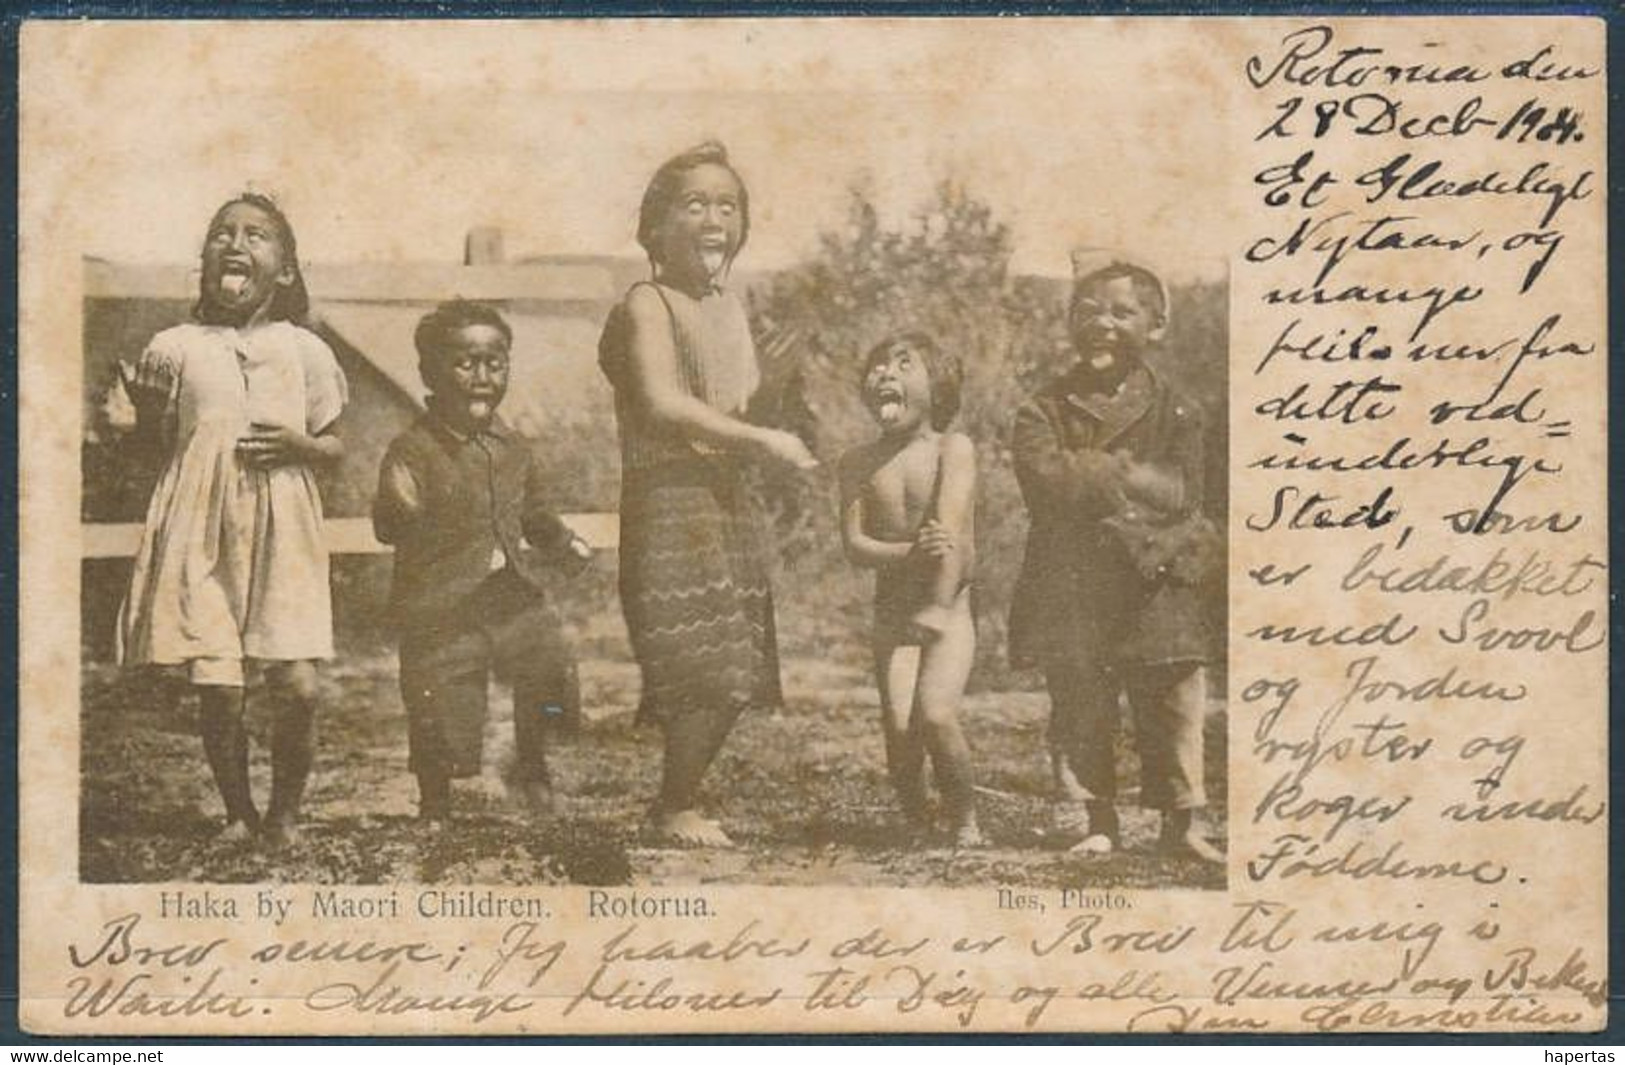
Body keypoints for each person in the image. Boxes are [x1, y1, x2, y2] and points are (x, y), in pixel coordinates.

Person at [598, 142, 818, 848]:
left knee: (739, 664)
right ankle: (674, 805)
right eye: (693, 203)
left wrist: (779, 398)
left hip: (727, 494)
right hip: (668, 499)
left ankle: (676, 801)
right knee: (708, 666)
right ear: (655, 225)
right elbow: (664, 405)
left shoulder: (731, 308)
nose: (713, 217)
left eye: (728, 204)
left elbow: (739, 410)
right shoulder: (645, 304)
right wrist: (763, 442)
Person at [115, 192, 347, 848]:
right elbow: (153, 444)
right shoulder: (174, 346)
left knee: (297, 684)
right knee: (218, 686)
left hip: (284, 532)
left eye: (257, 236)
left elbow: (334, 446)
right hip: (203, 532)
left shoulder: (304, 351)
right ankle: (240, 812)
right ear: (204, 260)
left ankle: (287, 812)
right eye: (223, 233)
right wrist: (127, 420)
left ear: (285, 271)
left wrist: (300, 446)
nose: (236, 244)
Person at [1009, 249, 1222, 863]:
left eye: (1123, 312)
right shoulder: (1041, 406)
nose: (1103, 323)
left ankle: (1183, 820)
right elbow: (1045, 479)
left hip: (1158, 573)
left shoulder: (1179, 407)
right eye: (1088, 311)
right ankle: (1093, 818)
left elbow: (1183, 493)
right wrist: (1127, 474)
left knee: (1174, 695)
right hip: (1074, 580)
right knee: (1080, 698)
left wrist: (1107, 487)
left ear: (1155, 327)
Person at [373, 300, 591, 827]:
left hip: (506, 591)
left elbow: (534, 514)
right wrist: (398, 504)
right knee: (440, 704)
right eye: (465, 364)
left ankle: (531, 764)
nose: (482, 378)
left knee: (548, 660)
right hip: (440, 602)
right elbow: (388, 526)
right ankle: (435, 803)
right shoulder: (413, 449)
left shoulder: (513, 447)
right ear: (431, 372)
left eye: (496, 364)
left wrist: (564, 544)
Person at [838, 333, 983, 847]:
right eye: (878, 365)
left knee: (936, 715)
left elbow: (951, 535)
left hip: (948, 608)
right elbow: (855, 545)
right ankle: (916, 818)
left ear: (938, 385)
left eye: (904, 364)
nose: (886, 372)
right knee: (900, 727)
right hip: (892, 611)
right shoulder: (856, 462)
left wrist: (940, 607)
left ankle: (965, 819)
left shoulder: (953, 448)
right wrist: (907, 554)